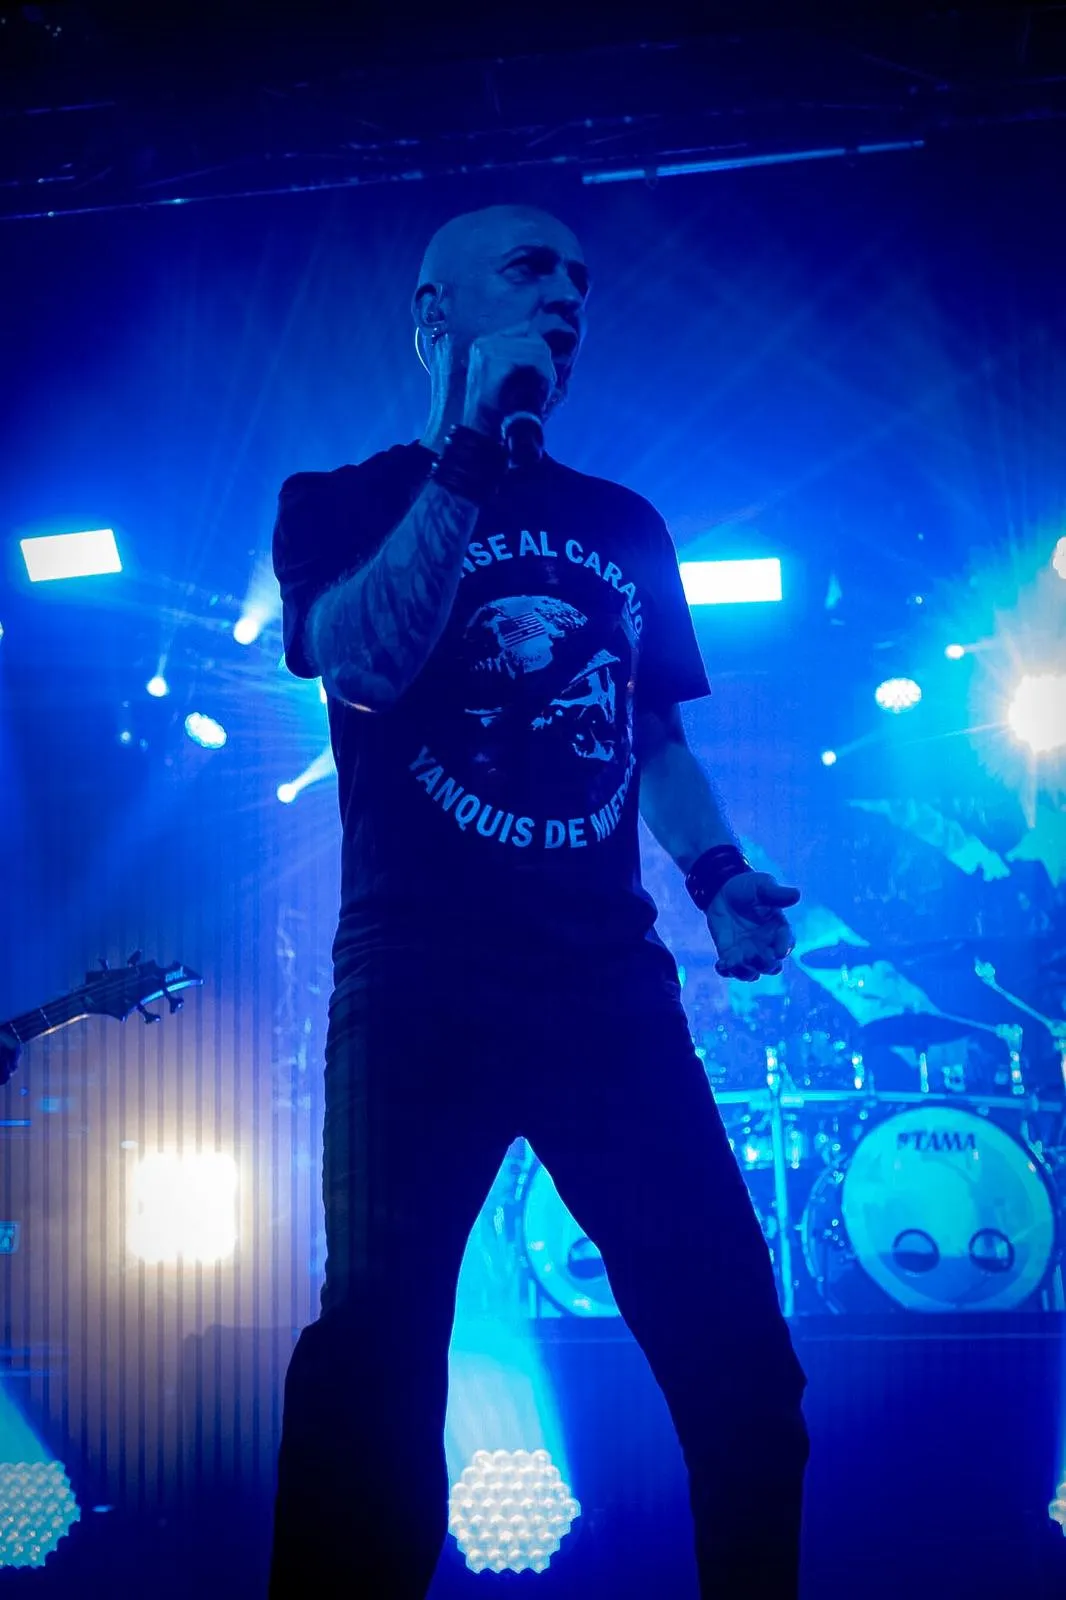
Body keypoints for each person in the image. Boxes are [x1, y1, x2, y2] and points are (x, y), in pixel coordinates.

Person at [268, 203, 809, 1599]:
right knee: (374, 1366)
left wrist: (717, 877)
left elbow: (652, 739)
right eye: (529, 269)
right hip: (415, 985)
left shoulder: (623, 525)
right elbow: (365, 664)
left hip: (604, 991)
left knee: (743, 1367)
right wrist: (467, 450)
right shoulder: (334, 501)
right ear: (434, 314)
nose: (566, 295)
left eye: (580, 279)